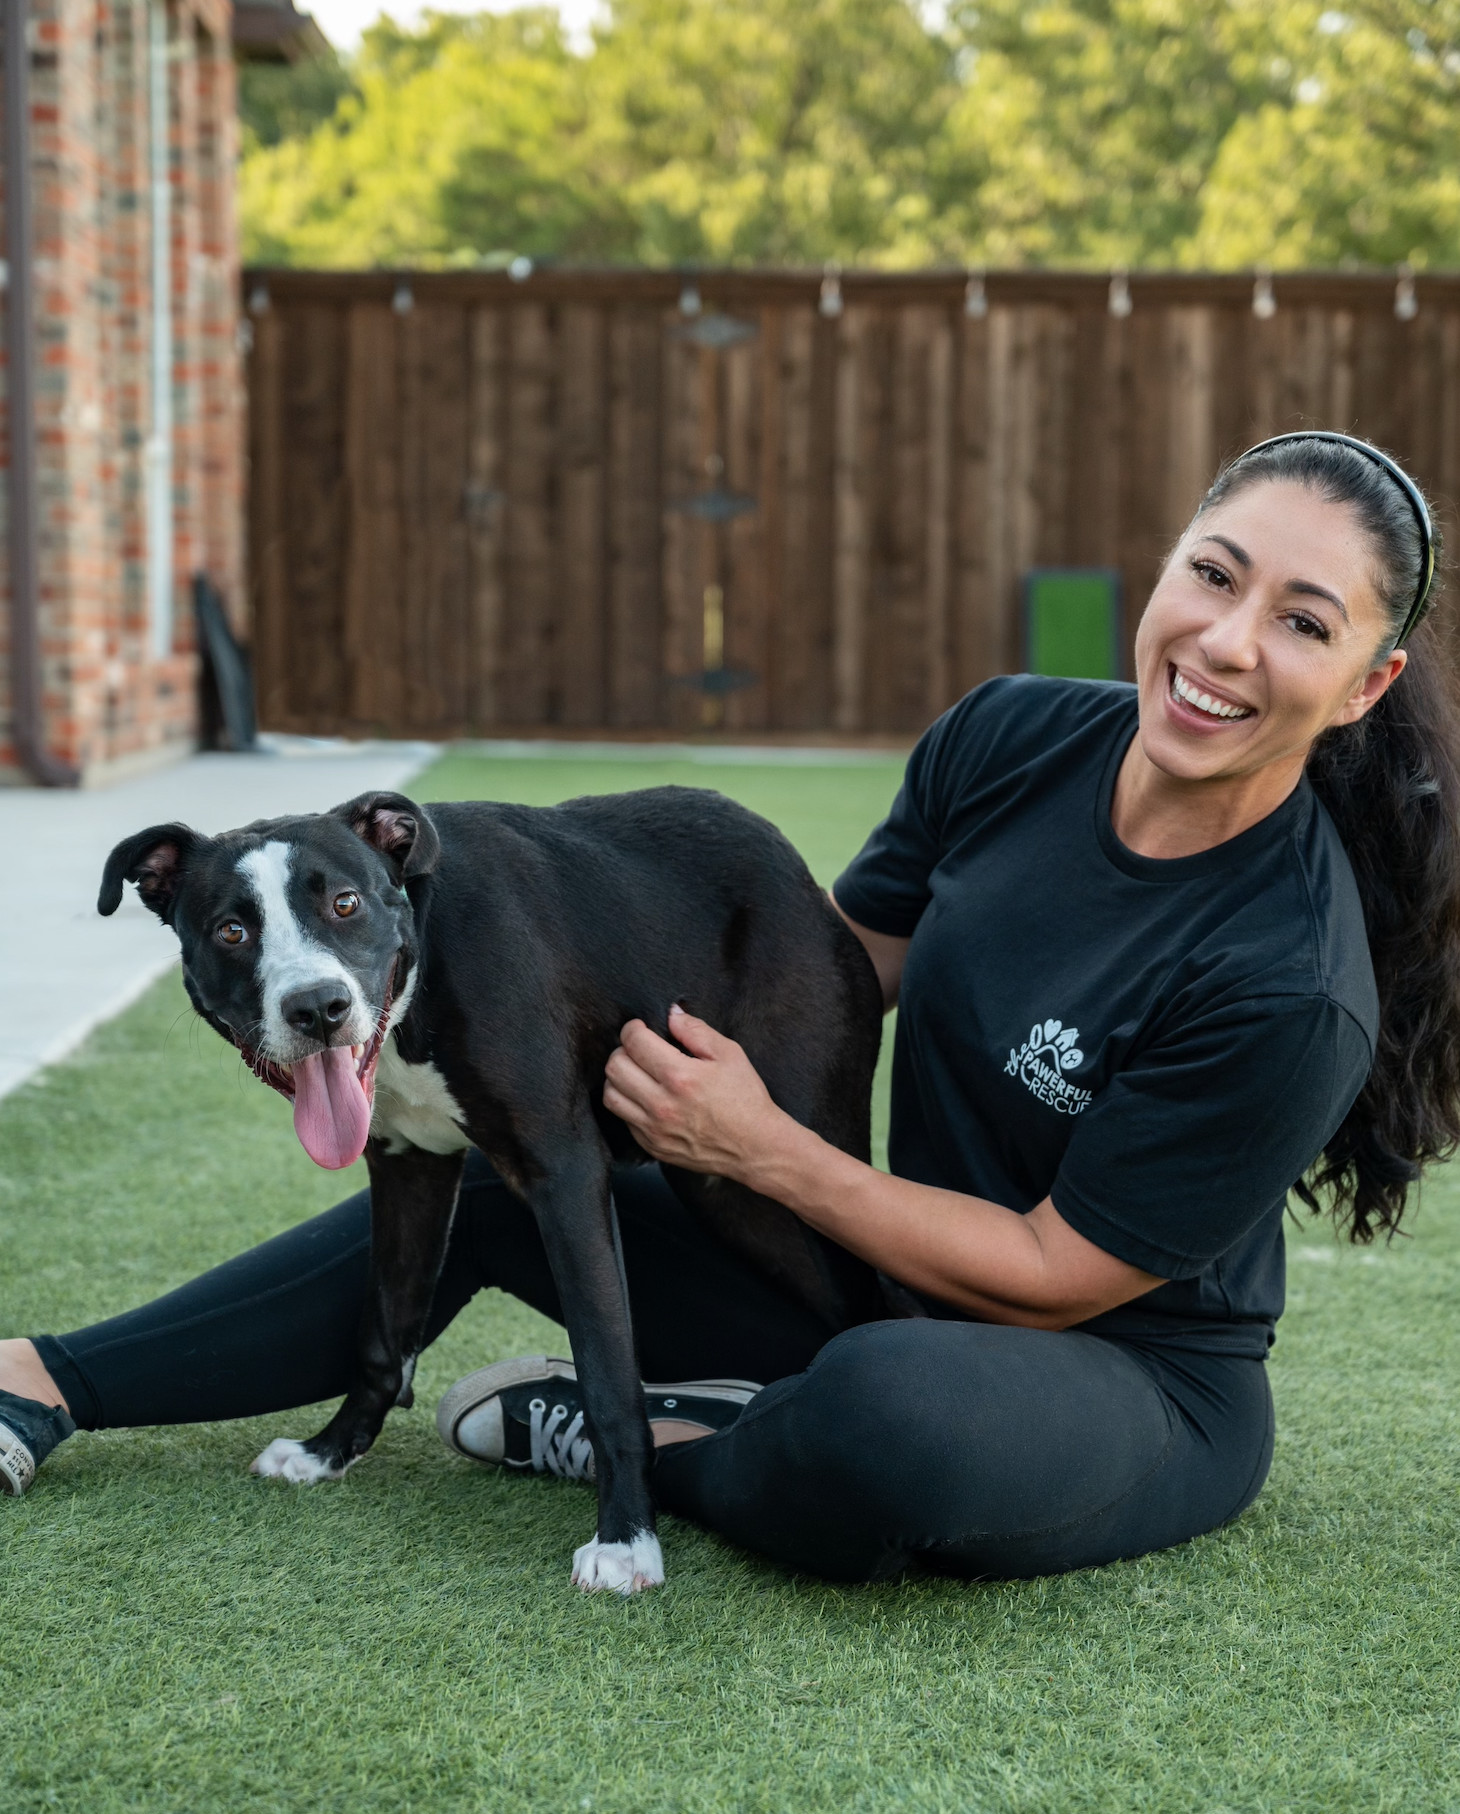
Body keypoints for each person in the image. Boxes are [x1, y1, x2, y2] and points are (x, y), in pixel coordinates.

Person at [5, 431, 1460, 1585]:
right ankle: (46, 1378)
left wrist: (767, 1152)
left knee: (889, 1420)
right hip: (871, 1260)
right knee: (513, 1170)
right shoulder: (1015, 736)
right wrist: (527, 1016)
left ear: (1361, 684)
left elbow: (1052, 1271)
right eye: (1213, 574)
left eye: (1301, 621)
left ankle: (636, 1427)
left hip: (1117, 1375)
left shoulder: (1286, 977)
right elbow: (831, 977)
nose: (1225, 641)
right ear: (1164, 573)